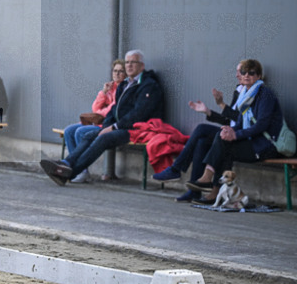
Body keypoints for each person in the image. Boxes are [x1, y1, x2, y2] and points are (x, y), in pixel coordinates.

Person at [40, 50, 164, 186]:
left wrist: (113, 127)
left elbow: (139, 114)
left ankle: (70, 173)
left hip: (138, 129)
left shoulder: (149, 85)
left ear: (141, 66)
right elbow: (114, 110)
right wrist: (107, 126)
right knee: (89, 135)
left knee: (103, 138)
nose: (129, 65)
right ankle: (66, 163)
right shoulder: (125, 84)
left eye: (133, 62)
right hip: (120, 127)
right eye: (127, 62)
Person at [180, 59, 284, 203]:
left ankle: (209, 182)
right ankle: (213, 187)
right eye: (244, 72)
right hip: (252, 142)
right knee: (222, 137)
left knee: (225, 145)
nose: (246, 75)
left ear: (259, 76)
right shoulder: (245, 96)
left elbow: (262, 125)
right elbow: (241, 123)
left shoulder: (266, 95)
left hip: (266, 145)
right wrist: (230, 131)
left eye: (252, 73)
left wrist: (235, 134)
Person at [60, 59, 126, 183]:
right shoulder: (111, 88)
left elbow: (111, 111)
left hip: (107, 125)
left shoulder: (123, 89)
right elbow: (95, 108)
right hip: (98, 122)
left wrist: (99, 114)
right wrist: (104, 92)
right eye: (115, 71)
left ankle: (80, 170)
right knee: (69, 130)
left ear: (125, 74)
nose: (117, 74)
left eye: (121, 71)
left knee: (80, 131)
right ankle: (78, 170)